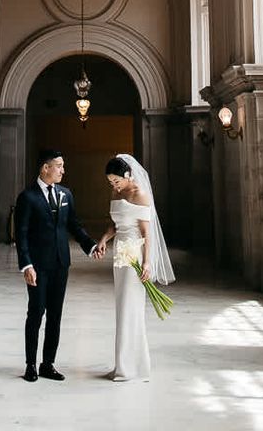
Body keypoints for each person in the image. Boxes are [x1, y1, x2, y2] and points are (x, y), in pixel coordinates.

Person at [14, 148, 98, 382]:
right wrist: (26, 265)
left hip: (61, 263)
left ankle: (47, 364)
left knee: (55, 315)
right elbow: (20, 235)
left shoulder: (65, 194)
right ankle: (30, 364)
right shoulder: (27, 197)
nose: (63, 170)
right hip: (38, 266)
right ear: (45, 168)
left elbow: (74, 225)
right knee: (36, 313)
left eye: (62, 166)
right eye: (59, 166)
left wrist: (91, 246)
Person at [95, 154, 174, 381]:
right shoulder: (115, 193)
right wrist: (103, 239)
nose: (114, 186)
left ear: (128, 175)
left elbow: (146, 233)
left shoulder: (140, 194)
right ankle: (124, 364)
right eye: (110, 182)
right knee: (122, 307)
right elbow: (114, 224)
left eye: (116, 181)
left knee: (132, 308)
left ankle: (132, 366)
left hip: (135, 254)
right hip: (120, 253)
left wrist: (147, 262)